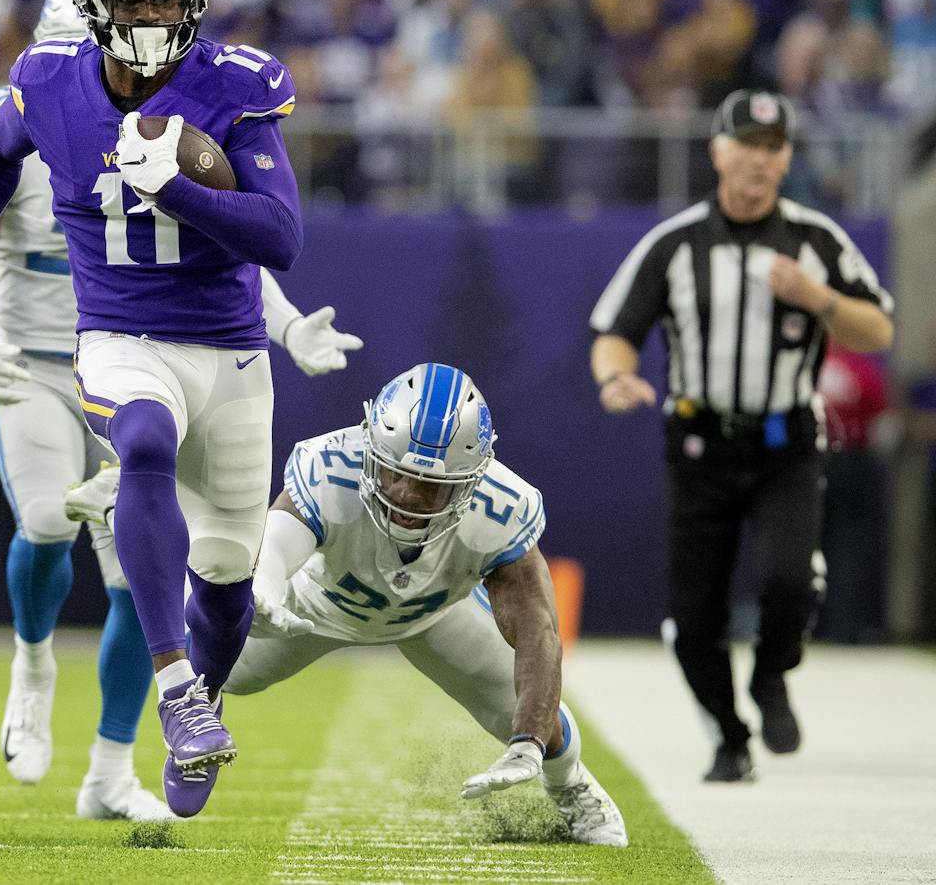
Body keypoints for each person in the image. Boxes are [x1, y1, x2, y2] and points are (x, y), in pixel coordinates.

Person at [0, 0, 363, 821]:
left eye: (167, 1)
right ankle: (165, 684)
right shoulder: (48, 83)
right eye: (131, 3)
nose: (149, 21)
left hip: (229, 352)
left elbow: (279, 237)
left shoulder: (236, 84)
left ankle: (196, 700)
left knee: (228, 574)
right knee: (137, 450)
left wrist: (182, 189)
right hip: (110, 341)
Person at [63, 363, 628, 847]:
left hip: (433, 615)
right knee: (216, 631)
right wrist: (261, 590)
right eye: (398, 474)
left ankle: (574, 788)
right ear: (371, 447)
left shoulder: (503, 507)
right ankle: (128, 509)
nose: (408, 498)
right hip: (313, 604)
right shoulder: (331, 466)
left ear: (471, 481)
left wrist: (530, 740)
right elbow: (279, 540)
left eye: (430, 487)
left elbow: (538, 631)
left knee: (535, 716)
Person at [589, 89, 893, 783]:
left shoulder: (816, 241)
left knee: (790, 578)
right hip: (699, 441)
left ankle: (772, 675)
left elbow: (877, 329)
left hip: (786, 439)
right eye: (746, 146)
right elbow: (616, 331)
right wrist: (616, 379)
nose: (758, 161)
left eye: (772, 149)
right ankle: (729, 735)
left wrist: (815, 296)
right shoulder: (675, 242)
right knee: (695, 615)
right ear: (718, 150)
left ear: (786, 159)